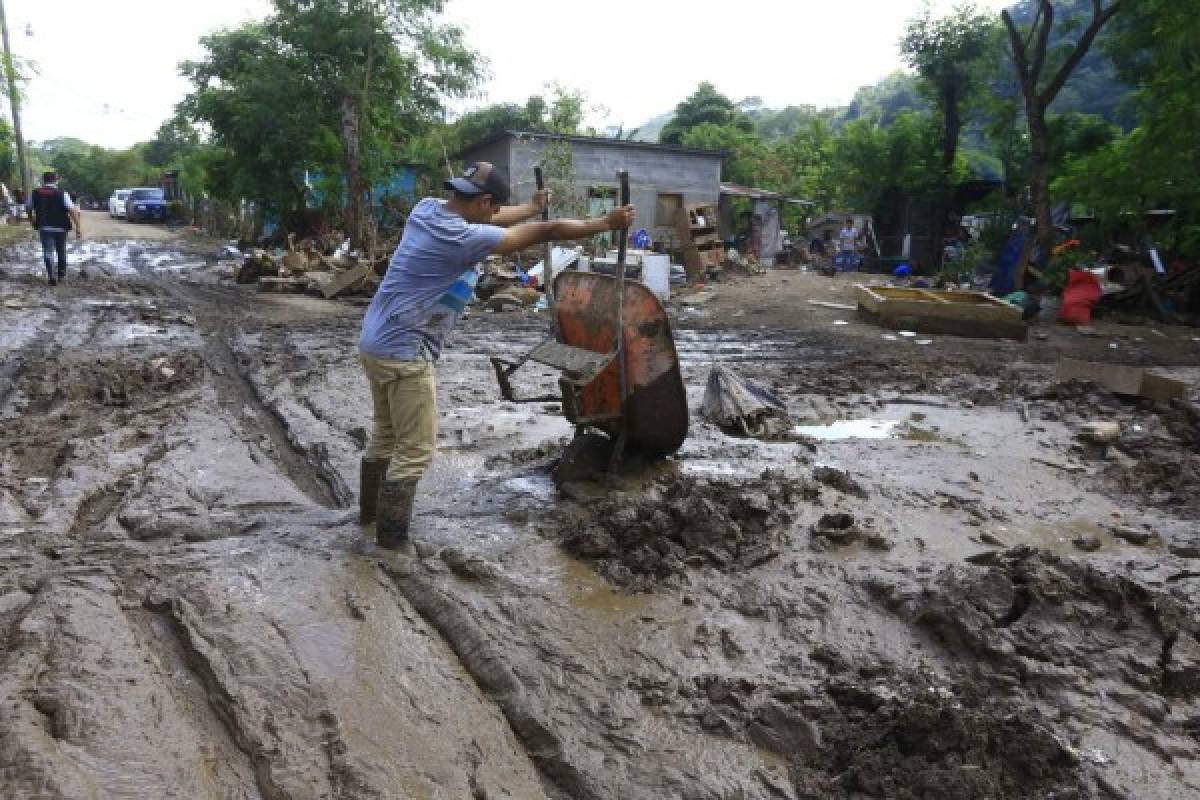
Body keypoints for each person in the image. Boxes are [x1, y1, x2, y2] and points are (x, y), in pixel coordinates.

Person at [357, 161, 635, 549]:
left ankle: (367, 521)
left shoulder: (427, 209)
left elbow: (501, 216)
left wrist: (530, 207)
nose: (493, 216)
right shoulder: (460, 237)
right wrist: (604, 223)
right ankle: (390, 546)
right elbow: (548, 232)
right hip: (405, 351)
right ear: (483, 202)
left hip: (374, 341)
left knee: (385, 436)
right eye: (491, 209)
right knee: (416, 451)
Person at [28, 171, 83, 286]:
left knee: (48, 252)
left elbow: (28, 207)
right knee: (61, 251)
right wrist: (78, 227)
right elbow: (72, 210)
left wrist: (31, 220)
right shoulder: (62, 193)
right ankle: (61, 276)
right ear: (56, 180)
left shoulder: (35, 193)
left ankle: (51, 276)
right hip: (61, 228)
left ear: (43, 180)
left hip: (44, 227)